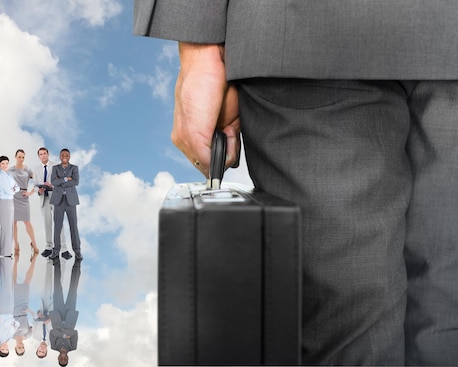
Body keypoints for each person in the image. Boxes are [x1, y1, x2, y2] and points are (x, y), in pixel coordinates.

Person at [134, 1, 458, 365]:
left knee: (363, 322)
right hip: (310, 43)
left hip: (303, 33)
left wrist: (197, 45)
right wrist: (198, 48)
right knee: (399, 318)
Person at [33, 147, 67, 258]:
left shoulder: (56, 166)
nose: (43, 156)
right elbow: (35, 185)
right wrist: (39, 190)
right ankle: (48, 247)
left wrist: (52, 185)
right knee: (47, 224)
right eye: (41, 154)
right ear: (39, 156)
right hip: (44, 198)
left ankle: (64, 248)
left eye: (44, 153)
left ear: (48, 154)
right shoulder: (36, 169)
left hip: (55, 197)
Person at [50, 149, 82, 260]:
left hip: (71, 201)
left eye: (66, 155)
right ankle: (56, 251)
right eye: (62, 155)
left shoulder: (74, 168)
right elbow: (53, 182)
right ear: (60, 156)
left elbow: (75, 181)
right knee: (57, 227)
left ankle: (77, 251)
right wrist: (65, 179)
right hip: (58, 201)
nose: (64, 156)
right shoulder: (55, 168)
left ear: (69, 156)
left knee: (73, 226)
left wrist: (61, 182)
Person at [49, 257, 81, 366]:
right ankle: (78, 263)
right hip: (69, 316)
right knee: (73, 289)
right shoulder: (73, 347)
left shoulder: (54, 346)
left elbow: (52, 333)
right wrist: (61, 332)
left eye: (60, 360)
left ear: (58, 358)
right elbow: (75, 333)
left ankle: (56, 262)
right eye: (65, 360)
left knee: (57, 288)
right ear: (68, 359)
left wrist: (63, 335)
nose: (63, 358)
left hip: (57, 315)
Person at [9, 149, 40, 254]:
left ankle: (34, 244)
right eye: (19, 157)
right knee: (13, 222)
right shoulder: (10, 170)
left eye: (23, 157)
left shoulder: (28, 170)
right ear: (15, 157)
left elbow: (38, 181)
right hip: (13, 197)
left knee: (27, 222)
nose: (21, 159)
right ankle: (16, 245)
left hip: (24, 197)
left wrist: (31, 192)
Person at [12, 251, 39, 356]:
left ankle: (16, 259)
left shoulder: (10, 335)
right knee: (27, 281)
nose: (21, 346)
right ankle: (34, 259)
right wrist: (30, 312)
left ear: (15, 347)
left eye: (19, 348)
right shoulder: (28, 335)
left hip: (13, 305)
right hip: (23, 306)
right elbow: (36, 324)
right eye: (22, 347)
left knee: (12, 281)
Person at [0, 155, 20, 258]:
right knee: (6, 227)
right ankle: (5, 252)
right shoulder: (1, 176)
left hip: (10, 201)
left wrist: (13, 190)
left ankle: (5, 251)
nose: (5, 165)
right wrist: (13, 189)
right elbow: (8, 190)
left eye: (6, 163)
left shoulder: (9, 174)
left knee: (9, 226)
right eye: (2, 164)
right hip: (4, 202)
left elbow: (17, 187)